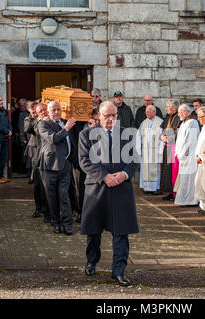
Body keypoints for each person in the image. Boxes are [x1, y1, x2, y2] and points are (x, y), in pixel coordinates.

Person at [78, 101, 139, 287]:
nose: (111, 119)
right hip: (97, 188)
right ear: (99, 116)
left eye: (114, 115)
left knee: (121, 231)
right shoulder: (86, 134)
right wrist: (104, 176)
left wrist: (124, 174)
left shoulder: (126, 134)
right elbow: (84, 161)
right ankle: (91, 261)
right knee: (94, 230)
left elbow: (134, 160)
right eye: (107, 116)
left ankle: (119, 270)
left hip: (121, 189)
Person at [37, 101, 77, 235]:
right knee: (52, 197)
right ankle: (56, 222)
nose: (56, 112)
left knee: (64, 195)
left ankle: (68, 223)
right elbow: (53, 139)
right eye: (53, 110)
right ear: (48, 111)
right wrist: (66, 129)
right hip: (49, 166)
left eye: (58, 109)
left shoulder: (65, 123)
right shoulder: (43, 124)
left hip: (65, 165)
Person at [174, 104, 200, 206]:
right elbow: (180, 140)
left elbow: (190, 141)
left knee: (189, 179)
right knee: (184, 179)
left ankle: (190, 200)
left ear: (186, 112)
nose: (179, 114)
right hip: (183, 156)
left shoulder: (192, 123)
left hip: (188, 156)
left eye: (181, 112)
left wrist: (184, 154)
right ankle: (184, 199)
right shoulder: (184, 123)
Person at [24, 102, 47, 218]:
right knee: (37, 182)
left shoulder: (49, 120)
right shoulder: (30, 119)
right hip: (36, 152)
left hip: (47, 153)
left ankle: (46, 208)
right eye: (39, 111)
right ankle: (38, 208)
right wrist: (37, 119)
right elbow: (28, 129)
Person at [136, 105, 163, 194]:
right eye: (146, 112)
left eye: (148, 112)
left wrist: (160, 150)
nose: (146, 113)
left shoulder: (160, 122)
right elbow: (138, 135)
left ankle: (156, 188)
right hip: (146, 150)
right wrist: (138, 149)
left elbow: (163, 137)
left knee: (155, 169)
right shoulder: (144, 122)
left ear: (154, 112)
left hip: (155, 149)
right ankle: (147, 187)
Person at [159, 99, 181, 201]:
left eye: (168, 106)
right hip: (167, 146)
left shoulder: (178, 118)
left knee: (173, 170)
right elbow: (163, 130)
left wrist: (169, 139)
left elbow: (178, 133)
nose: (166, 108)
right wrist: (162, 137)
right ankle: (168, 191)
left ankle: (174, 192)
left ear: (175, 108)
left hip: (174, 147)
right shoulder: (168, 117)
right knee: (166, 169)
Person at [35, 103, 51, 224]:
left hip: (52, 159)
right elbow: (35, 130)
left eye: (45, 110)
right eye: (41, 111)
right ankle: (41, 209)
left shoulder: (53, 122)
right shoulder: (37, 123)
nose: (44, 112)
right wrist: (42, 121)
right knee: (40, 187)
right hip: (39, 159)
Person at [11, 98, 29, 174]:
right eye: (21, 105)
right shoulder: (15, 113)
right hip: (18, 136)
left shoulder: (29, 112)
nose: (22, 107)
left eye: (24, 105)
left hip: (28, 136)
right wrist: (16, 132)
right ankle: (19, 169)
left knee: (27, 153)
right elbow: (13, 124)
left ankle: (27, 169)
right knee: (19, 153)